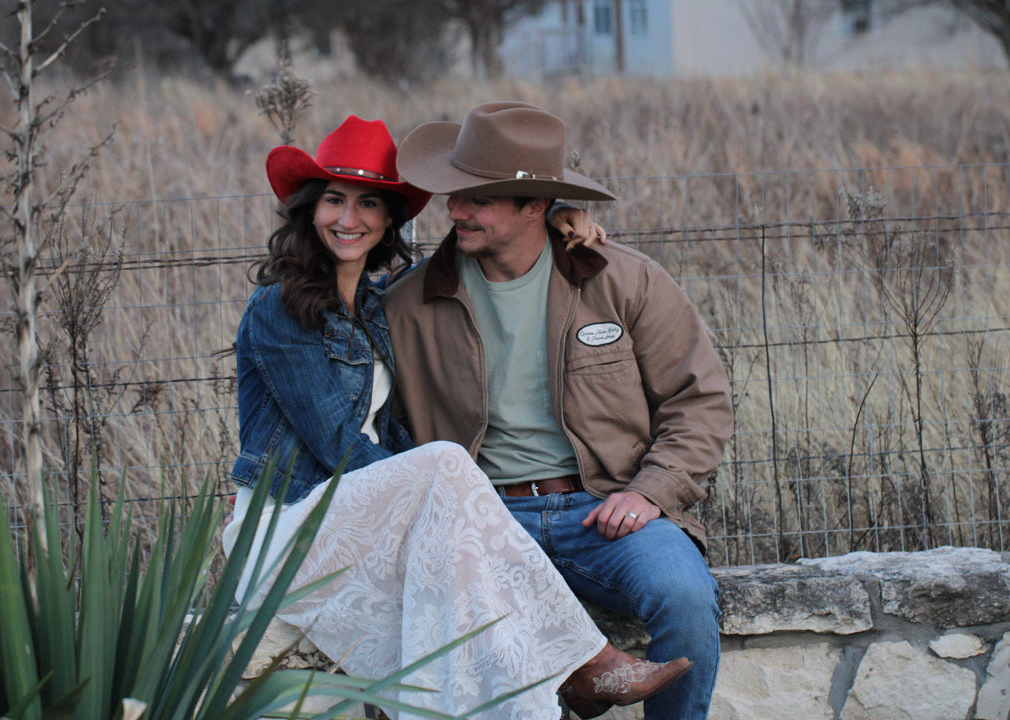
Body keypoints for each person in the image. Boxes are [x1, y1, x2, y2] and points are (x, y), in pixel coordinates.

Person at [222, 115, 693, 720]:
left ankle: (564, 678)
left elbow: (493, 244)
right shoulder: (280, 308)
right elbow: (340, 446)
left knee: (461, 574)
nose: (348, 218)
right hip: (289, 525)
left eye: (368, 203)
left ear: (389, 220)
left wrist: (555, 219)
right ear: (310, 210)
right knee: (446, 465)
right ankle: (587, 661)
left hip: (357, 520)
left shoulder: (378, 306)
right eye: (334, 199)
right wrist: (442, 501)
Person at [383, 102, 735, 720]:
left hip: (604, 509)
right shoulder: (406, 304)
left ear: (537, 206)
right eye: (454, 194)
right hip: (482, 523)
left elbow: (698, 401)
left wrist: (652, 491)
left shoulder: (624, 280)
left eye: (479, 198)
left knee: (683, 596)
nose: (455, 210)